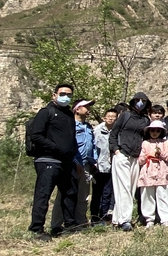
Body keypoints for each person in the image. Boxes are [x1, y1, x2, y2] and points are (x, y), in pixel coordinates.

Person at [28, 83, 79, 240]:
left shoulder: (69, 114)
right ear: (54, 95)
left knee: (70, 194)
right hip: (48, 160)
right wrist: (55, 148)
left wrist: (73, 153)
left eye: (69, 95)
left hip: (67, 162)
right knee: (43, 195)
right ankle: (37, 229)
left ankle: (69, 225)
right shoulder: (46, 112)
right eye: (62, 94)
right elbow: (36, 135)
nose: (66, 97)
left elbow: (71, 137)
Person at [109, 92, 152, 231]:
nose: (140, 103)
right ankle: (125, 220)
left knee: (131, 188)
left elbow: (146, 138)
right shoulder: (125, 116)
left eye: (143, 101)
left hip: (135, 157)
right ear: (133, 102)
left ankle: (117, 219)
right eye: (138, 100)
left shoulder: (145, 120)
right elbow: (113, 133)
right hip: (122, 154)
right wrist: (116, 150)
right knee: (124, 187)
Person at [51, 98, 96, 231]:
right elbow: (67, 145)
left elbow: (92, 145)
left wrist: (94, 161)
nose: (88, 109)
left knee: (83, 196)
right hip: (71, 164)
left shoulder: (88, 127)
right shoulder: (69, 126)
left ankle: (80, 222)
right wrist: (74, 161)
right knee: (64, 195)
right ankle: (57, 224)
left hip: (86, 165)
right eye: (86, 107)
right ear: (77, 109)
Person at [137, 120, 168, 228]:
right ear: (149, 131)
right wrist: (149, 155)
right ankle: (149, 219)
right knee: (147, 196)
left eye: (158, 131)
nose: (155, 132)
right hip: (148, 172)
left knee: (163, 195)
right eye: (153, 130)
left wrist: (160, 153)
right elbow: (140, 160)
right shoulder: (145, 143)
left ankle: (165, 219)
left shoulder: (165, 142)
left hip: (162, 172)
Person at [90, 108, 117, 226]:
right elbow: (92, 147)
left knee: (107, 193)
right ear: (104, 118)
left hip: (111, 167)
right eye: (109, 116)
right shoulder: (97, 130)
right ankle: (94, 217)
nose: (111, 118)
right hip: (98, 167)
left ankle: (104, 216)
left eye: (113, 117)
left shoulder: (117, 131)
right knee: (97, 193)